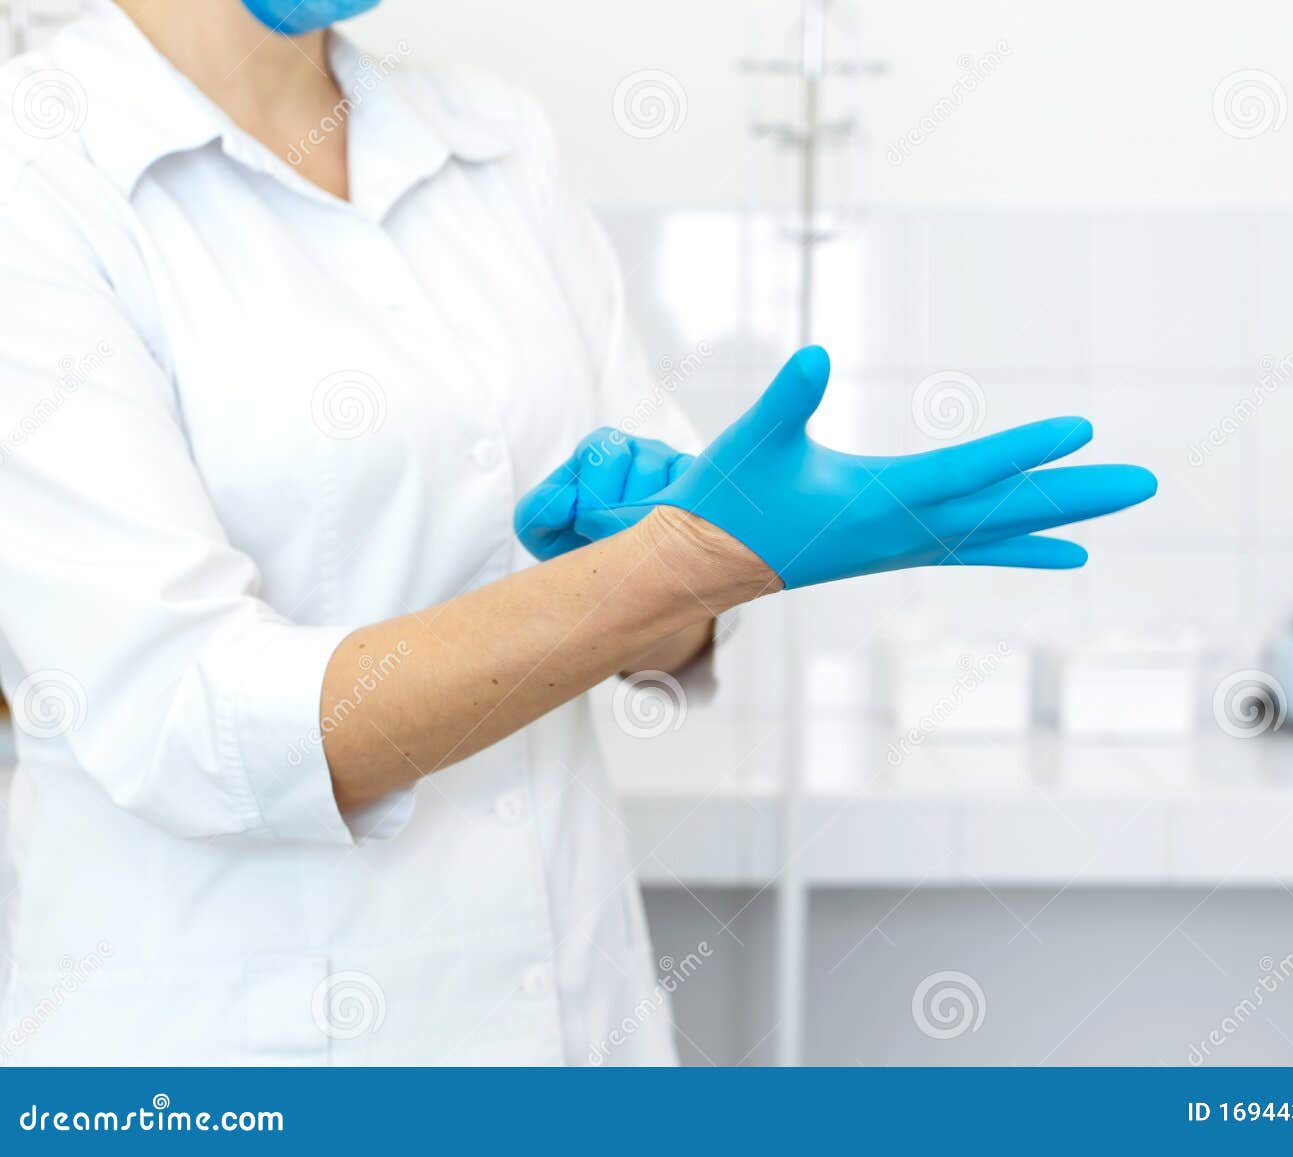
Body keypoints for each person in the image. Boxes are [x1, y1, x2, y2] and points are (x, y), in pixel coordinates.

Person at [0, 0, 1154, 1064]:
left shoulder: (493, 141)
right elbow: (188, 716)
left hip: (569, 1018)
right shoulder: (37, 171)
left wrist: (674, 573)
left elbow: (662, 612)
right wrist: (657, 574)